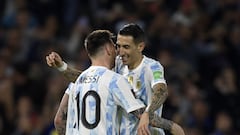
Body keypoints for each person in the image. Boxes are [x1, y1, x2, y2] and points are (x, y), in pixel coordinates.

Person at [46, 25, 185, 135]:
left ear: (140, 46)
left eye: (126, 47)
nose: (120, 52)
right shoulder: (116, 67)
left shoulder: (151, 67)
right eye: (117, 46)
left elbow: (161, 90)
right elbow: (92, 80)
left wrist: (147, 115)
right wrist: (62, 67)